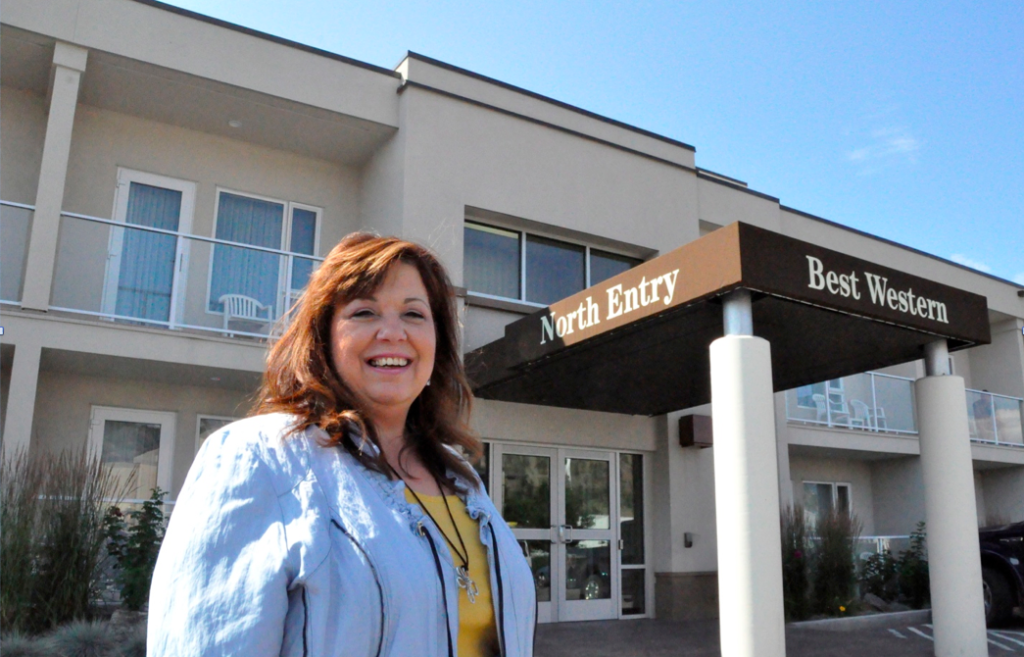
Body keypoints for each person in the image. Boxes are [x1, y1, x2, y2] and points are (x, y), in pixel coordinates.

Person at [148, 233, 536, 657]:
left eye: (413, 314)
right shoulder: (258, 458)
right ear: (323, 340)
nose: (393, 332)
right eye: (365, 312)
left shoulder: (462, 479)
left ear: (437, 341)